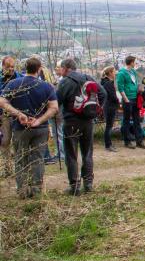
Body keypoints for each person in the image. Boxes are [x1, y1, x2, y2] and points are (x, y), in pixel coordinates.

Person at [0, 57, 58, 198]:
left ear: (25, 68)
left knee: (20, 159)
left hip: (21, 128)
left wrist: (18, 114)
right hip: (40, 128)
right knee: (37, 159)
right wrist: (39, 120)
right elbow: (54, 108)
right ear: (39, 69)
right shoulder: (46, 86)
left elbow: (2, 102)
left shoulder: (14, 84)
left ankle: (22, 190)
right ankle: (36, 189)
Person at [56, 59, 106, 195]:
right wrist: (96, 110)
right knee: (88, 152)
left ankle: (75, 187)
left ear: (66, 68)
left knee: (71, 154)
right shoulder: (87, 78)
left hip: (71, 121)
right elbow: (103, 94)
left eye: (61, 68)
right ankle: (88, 183)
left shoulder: (65, 82)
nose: (61, 71)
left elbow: (57, 100)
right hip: (88, 121)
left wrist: (58, 114)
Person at [116, 56, 145, 150]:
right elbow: (120, 87)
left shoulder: (133, 71)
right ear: (130, 62)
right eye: (134, 62)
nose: (135, 63)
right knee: (126, 121)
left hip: (135, 98)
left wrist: (140, 89)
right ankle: (127, 141)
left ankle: (139, 140)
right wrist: (125, 99)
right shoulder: (121, 73)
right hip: (127, 99)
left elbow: (135, 82)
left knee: (137, 120)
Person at [0, 56, 22, 178]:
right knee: (5, 141)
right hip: (3, 115)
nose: (11, 69)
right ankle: (7, 168)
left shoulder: (20, 78)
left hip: (19, 113)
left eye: (13, 67)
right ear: (3, 66)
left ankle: (19, 168)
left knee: (19, 141)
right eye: (8, 67)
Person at [101, 66, 119, 152]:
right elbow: (112, 96)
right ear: (110, 73)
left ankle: (109, 144)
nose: (115, 73)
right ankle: (108, 145)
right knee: (109, 126)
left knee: (109, 126)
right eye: (114, 72)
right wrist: (118, 101)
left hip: (108, 106)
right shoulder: (108, 83)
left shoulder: (107, 82)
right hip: (110, 107)